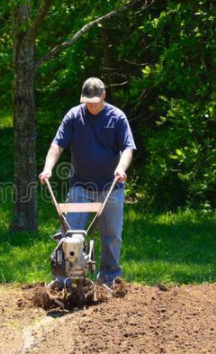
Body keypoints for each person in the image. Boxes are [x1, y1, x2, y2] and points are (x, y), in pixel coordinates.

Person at [38, 77, 136, 286]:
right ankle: (69, 279)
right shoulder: (74, 116)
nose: (90, 105)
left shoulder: (117, 117)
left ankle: (109, 279)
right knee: (71, 234)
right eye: (87, 101)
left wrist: (121, 168)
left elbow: (128, 148)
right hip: (81, 186)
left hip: (111, 187)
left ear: (103, 96)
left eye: (94, 100)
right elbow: (57, 145)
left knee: (111, 237)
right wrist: (48, 168)